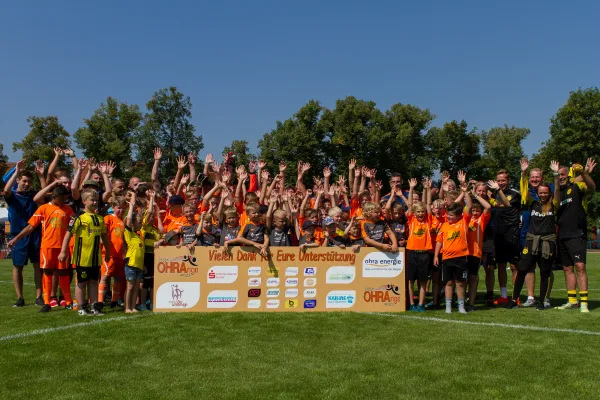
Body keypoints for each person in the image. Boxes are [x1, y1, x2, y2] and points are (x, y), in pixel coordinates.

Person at [8, 185, 74, 312]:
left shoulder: (68, 209)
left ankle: (68, 301)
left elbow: (72, 228)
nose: (64, 200)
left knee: (64, 273)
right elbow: (31, 226)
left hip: (62, 248)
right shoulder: (43, 208)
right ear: (54, 197)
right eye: (62, 198)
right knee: (47, 272)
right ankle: (47, 302)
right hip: (47, 247)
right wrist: (16, 239)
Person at [507, 164, 560, 311]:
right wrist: (523, 174)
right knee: (522, 269)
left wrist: (556, 175)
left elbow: (557, 193)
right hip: (531, 241)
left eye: (545, 193)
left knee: (544, 272)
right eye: (541, 193)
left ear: (549, 193)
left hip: (547, 242)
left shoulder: (553, 205)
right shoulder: (533, 203)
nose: (542, 195)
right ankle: (514, 299)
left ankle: (542, 302)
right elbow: (525, 192)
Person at [59, 189, 110, 316]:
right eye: (92, 200)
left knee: (94, 282)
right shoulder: (78, 217)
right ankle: (82, 307)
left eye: (96, 200)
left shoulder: (100, 218)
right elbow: (68, 234)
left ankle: (94, 307)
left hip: (95, 257)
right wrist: (63, 251)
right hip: (82, 257)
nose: (95, 202)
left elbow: (104, 236)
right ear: (84, 201)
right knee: (81, 283)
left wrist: (108, 251)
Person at [555, 158, 596, 312]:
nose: (561, 177)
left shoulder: (577, 187)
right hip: (562, 235)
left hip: (577, 233)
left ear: (569, 175)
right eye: (558, 175)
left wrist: (584, 173)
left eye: (563, 174)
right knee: (567, 269)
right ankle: (572, 301)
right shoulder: (558, 193)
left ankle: (584, 302)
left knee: (580, 266)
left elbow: (592, 186)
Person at [3, 160, 43, 307]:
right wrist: (17, 171)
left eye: (29, 182)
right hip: (17, 236)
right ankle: (20, 298)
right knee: (18, 267)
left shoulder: (33, 195)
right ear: (18, 180)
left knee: (38, 266)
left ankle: (39, 296)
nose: (26, 184)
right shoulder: (12, 196)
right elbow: (6, 191)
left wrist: (40, 176)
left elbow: (44, 194)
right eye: (24, 181)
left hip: (35, 234)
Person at [434, 181, 472, 314]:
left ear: (459, 216)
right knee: (448, 283)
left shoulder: (463, 222)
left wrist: (465, 192)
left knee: (461, 283)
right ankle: (448, 306)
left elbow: (470, 206)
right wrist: (435, 256)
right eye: (448, 215)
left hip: (461, 257)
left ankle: (461, 306)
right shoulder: (444, 225)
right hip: (447, 258)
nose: (448, 217)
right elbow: (439, 241)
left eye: (451, 215)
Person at [518, 157, 550, 307]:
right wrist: (523, 173)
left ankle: (546, 297)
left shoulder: (548, 191)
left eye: (537, 177)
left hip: (546, 236)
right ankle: (530, 297)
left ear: (542, 178)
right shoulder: (527, 191)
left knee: (546, 268)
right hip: (527, 234)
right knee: (529, 267)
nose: (535, 179)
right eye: (532, 177)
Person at [488, 170, 521, 305]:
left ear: (508, 181)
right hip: (498, 233)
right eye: (499, 180)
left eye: (503, 180)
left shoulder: (514, 194)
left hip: (511, 232)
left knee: (513, 266)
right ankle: (503, 296)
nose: (501, 183)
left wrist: (496, 191)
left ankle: (515, 296)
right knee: (501, 266)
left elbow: (506, 203)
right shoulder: (494, 194)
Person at [405, 178, 432, 312]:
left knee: (422, 281)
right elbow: (410, 205)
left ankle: (421, 304)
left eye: (422, 212)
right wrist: (410, 189)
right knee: (410, 281)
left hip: (424, 254)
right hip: (412, 253)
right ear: (414, 214)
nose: (421, 213)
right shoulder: (411, 220)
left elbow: (428, 203)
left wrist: (426, 189)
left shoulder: (428, 221)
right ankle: (411, 303)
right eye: (418, 212)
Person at [465, 180, 492, 312]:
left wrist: (476, 195)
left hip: (475, 253)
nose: (475, 213)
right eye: (473, 210)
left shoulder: (482, 219)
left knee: (473, 277)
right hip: (463, 252)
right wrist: (466, 192)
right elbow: (463, 206)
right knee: (463, 278)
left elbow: (487, 207)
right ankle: (462, 300)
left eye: (477, 211)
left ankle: (471, 302)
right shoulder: (466, 218)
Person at [100, 196, 127, 308]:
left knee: (118, 278)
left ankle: (114, 302)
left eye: (123, 208)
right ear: (113, 207)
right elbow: (103, 235)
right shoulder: (108, 218)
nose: (121, 210)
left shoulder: (124, 221)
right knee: (105, 277)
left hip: (121, 255)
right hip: (109, 254)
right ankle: (99, 302)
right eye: (118, 208)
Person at [123, 191, 146, 313]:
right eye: (139, 223)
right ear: (133, 223)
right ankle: (127, 307)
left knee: (136, 288)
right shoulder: (130, 234)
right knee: (130, 287)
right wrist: (131, 207)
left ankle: (132, 307)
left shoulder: (139, 236)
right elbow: (128, 220)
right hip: (131, 265)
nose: (141, 225)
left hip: (139, 266)